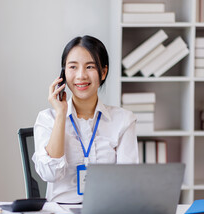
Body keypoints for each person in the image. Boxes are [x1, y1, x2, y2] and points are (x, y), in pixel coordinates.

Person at [32, 35, 138, 203]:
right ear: (64, 74)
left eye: (90, 67)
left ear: (103, 72)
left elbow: (128, 183)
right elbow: (50, 174)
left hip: (107, 212)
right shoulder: (47, 119)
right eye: (73, 67)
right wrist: (61, 114)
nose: (81, 75)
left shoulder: (123, 120)